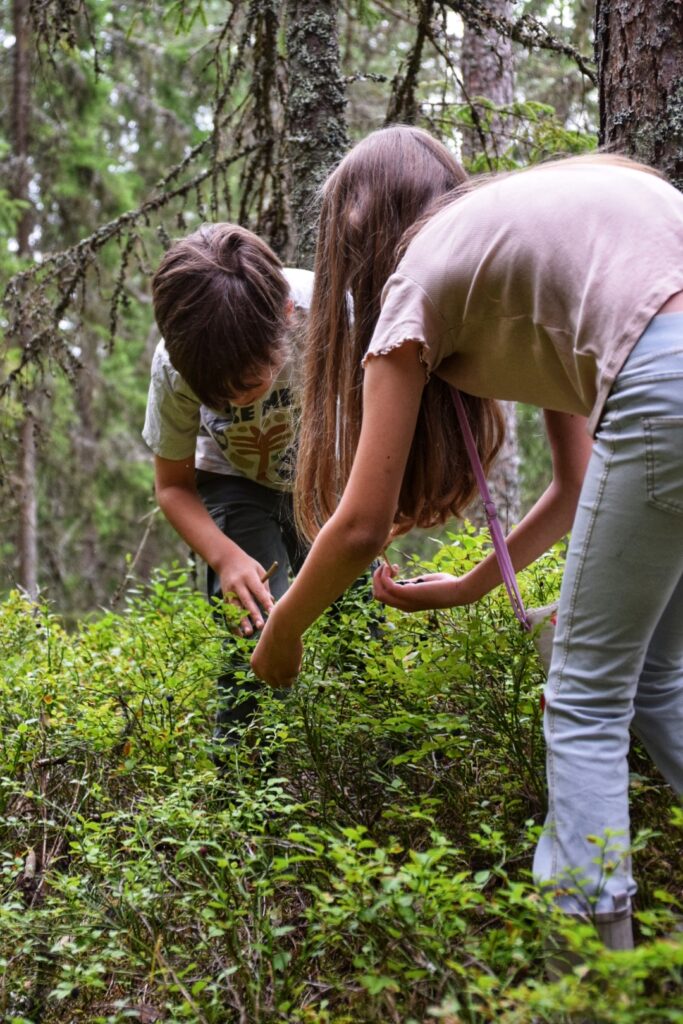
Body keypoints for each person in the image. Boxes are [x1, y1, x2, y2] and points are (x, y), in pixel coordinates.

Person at [251, 142, 683, 951]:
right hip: (664, 378)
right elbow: (575, 482)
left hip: (663, 386)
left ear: (356, 238)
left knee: (583, 702)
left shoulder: (417, 280)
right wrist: (468, 586)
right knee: (658, 679)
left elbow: (358, 528)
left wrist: (282, 632)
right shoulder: (522, 231)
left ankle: (596, 987)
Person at [143, 223, 313, 738]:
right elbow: (173, 486)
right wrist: (225, 556)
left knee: (360, 613)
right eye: (217, 396)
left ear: (285, 317)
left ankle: (370, 770)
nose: (236, 401)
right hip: (232, 481)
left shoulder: (324, 316)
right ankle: (241, 789)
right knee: (257, 622)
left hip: (324, 477)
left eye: (247, 385)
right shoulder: (177, 363)